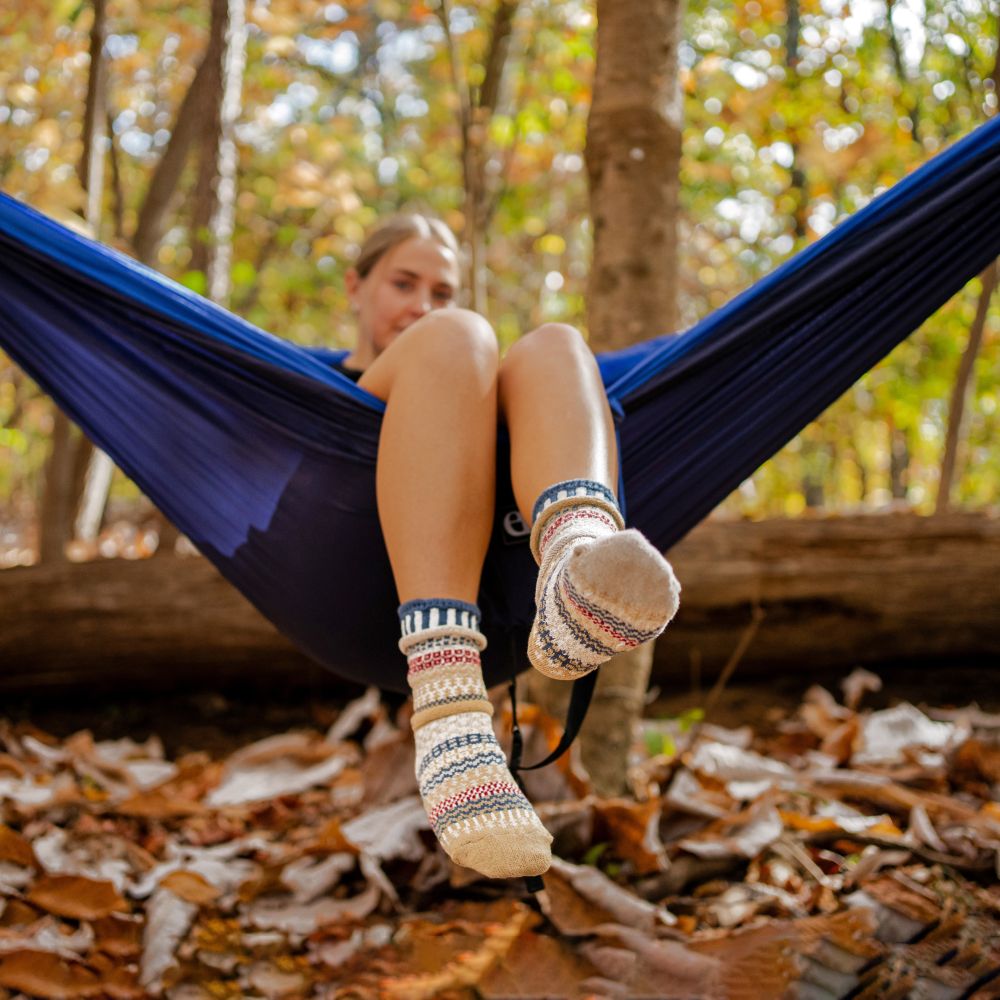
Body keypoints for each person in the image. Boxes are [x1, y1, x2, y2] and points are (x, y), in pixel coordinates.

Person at [334, 212, 681, 880]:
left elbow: (682, 360)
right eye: (404, 283)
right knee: (457, 340)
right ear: (356, 285)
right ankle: (449, 708)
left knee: (556, 345)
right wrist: (445, 332)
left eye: (441, 291)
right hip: (347, 575)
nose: (421, 305)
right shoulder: (304, 382)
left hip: (500, 587)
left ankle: (574, 562)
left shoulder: (486, 384)